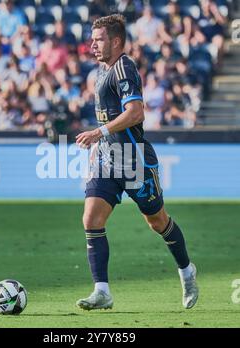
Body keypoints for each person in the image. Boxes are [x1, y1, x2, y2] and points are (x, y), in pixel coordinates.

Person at [75, 14, 199, 310]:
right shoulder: (102, 71)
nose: (92, 44)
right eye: (92, 39)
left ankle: (186, 270)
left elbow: (136, 112)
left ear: (116, 41)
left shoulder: (123, 68)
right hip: (108, 159)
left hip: (134, 161)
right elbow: (108, 115)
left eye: (99, 39)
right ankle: (102, 291)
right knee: (91, 219)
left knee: (157, 221)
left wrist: (98, 132)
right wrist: (99, 145)